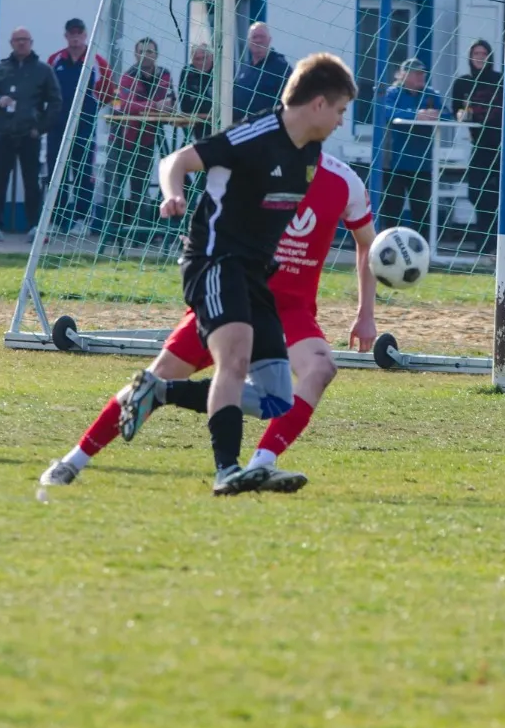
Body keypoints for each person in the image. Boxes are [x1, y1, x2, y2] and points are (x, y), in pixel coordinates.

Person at [41, 150, 378, 490]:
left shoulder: (344, 181)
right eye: (333, 116)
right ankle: (73, 460)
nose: (336, 122)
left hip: (289, 310)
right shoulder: (252, 156)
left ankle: (262, 464)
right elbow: (188, 178)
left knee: (319, 369)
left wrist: (366, 314)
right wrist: (183, 210)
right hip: (228, 295)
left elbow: (368, 244)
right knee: (160, 374)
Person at [112, 53, 355, 495]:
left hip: (257, 275)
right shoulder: (255, 134)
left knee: (275, 398)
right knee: (235, 360)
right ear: (318, 104)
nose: (342, 121)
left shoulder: (310, 153)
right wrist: (172, 195)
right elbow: (176, 160)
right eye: (340, 110)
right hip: (216, 261)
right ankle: (228, 469)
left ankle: (160, 391)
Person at [0, 28, 60, 241]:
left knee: (32, 182)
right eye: (17, 40)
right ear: (11, 43)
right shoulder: (1, 68)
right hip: (4, 132)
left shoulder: (43, 70)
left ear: (31, 42)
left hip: (29, 134)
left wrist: (40, 128)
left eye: (25, 40)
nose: (21, 43)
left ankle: (35, 227)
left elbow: (55, 101)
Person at [46, 18, 115, 233]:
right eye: (71, 34)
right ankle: (56, 220)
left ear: (85, 35)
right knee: (56, 174)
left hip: (84, 127)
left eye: (79, 33)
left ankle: (81, 220)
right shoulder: (55, 60)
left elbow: (108, 92)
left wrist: (90, 111)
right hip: (57, 127)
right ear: (66, 36)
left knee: (83, 174)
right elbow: (45, 90)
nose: (75, 38)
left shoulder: (97, 62)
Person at [105, 38, 173, 237]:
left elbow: (170, 102)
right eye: (141, 51)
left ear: (156, 54)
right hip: (121, 139)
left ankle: (140, 235)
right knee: (114, 187)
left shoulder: (164, 75)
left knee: (140, 188)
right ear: (135, 54)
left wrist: (150, 106)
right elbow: (125, 104)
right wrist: (154, 106)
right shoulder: (127, 77)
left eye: (149, 51)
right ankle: (111, 233)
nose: (145, 55)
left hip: (147, 139)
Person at [376, 59, 451, 236]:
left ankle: (422, 248)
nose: (421, 77)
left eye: (422, 73)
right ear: (404, 75)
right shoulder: (392, 93)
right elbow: (385, 111)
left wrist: (435, 115)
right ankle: (388, 245)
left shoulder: (430, 94)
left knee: (422, 213)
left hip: (422, 165)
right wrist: (416, 115)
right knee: (392, 211)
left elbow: (448, 115)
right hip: (394, 164)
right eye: (416, 73)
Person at [452, 39, 503, 254]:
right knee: (476, 193)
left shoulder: (500, 80)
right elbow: (455, 110)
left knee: (498, 195)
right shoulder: (463, 83)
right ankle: (483, 243)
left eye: (484, 53)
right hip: (479, 146)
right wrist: (461, 115)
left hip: (502, 147)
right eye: (476, 54)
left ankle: (494, 244)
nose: (480, 57)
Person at [232, 22, 290, 122]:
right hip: (242, 127)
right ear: (249, 41)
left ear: (269, 40)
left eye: (262, 37)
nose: (258, 40)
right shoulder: (244, 68)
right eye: (254, 37)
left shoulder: (281, 67)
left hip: (269, 127)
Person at [178, 43, 216, 119]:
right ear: (192, 60)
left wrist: (196, 101)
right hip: (193, 122)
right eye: (197, 59)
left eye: (204, 58)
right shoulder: (187, 72)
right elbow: (185, 107)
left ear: (212, 57)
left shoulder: (221, 71)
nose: (201, 62)